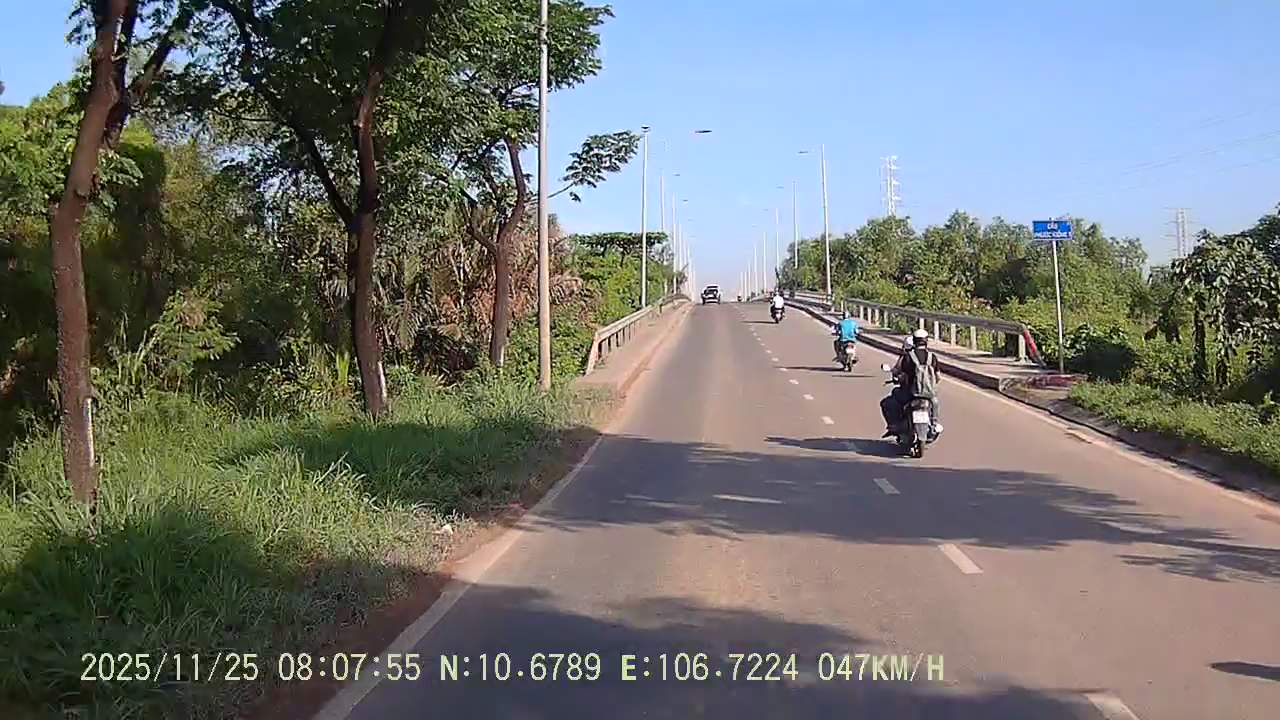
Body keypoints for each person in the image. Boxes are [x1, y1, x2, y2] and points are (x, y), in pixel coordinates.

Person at [882, 329, 943, 436]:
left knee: (888, 402)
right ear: (926, 341)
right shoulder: (932, 357)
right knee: (935, 403)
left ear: (914, 341)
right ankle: (934, 424)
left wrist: (899, 378)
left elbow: (902, 375)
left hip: (910, 393)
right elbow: (938, 377)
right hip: (928, 394)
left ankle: (895, 425)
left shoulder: (908, 357)